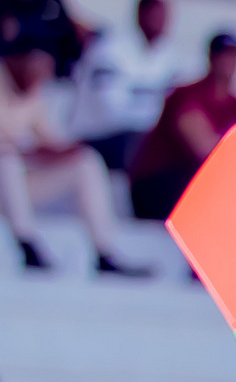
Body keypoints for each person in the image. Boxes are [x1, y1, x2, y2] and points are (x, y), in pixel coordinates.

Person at [0, 47, 149, 275]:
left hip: (15, 191)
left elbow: (49, 141)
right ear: (20, 59)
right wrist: (32, 151)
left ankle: (104, 253)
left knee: (86, 162)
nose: (43, 75)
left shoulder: (35, 91)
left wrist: (71, 150)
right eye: (38, 67)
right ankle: (26, 245)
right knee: (7, 160)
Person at [126, 30, 236, 220]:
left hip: (188, 187)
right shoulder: (186, 96)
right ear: (211, 57)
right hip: (158, 184)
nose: (228, 61)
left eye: (233, 55)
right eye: (223, 55)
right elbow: (204, 149)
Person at [72, 0, 182, 172]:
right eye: (155, 15)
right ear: (140, 15)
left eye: (164, 16)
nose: (161, 22)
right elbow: (109, 112)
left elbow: (169, 103)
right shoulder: (110, 49)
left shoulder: (167, 55)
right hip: (97, 136)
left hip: (140, 136)